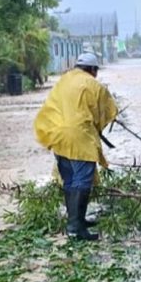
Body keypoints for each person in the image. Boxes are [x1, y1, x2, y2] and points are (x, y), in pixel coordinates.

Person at [33, 52, 118, 241]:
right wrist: (97, 126)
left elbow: (51, 106)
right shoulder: (94, 85)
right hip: (79, 137)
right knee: (82, 180)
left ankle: (75, 220)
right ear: (93, 70)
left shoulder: (63, 80)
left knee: (69, 179)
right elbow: (108, 111)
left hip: (58, 135)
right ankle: (76, 227)